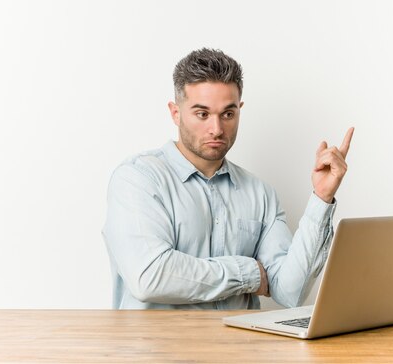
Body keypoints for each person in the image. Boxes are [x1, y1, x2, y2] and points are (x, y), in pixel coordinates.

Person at [102, 48, 354, 309]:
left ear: (239, 110)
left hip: (241, 349)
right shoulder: (138, 179)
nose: (217, 129)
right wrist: (249, 274)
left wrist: (321, 199)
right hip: (162, 349)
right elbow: (150, 275)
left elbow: (289, 291)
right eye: (202, 114)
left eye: (228, 114)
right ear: (175, 113)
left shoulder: (260, 193)